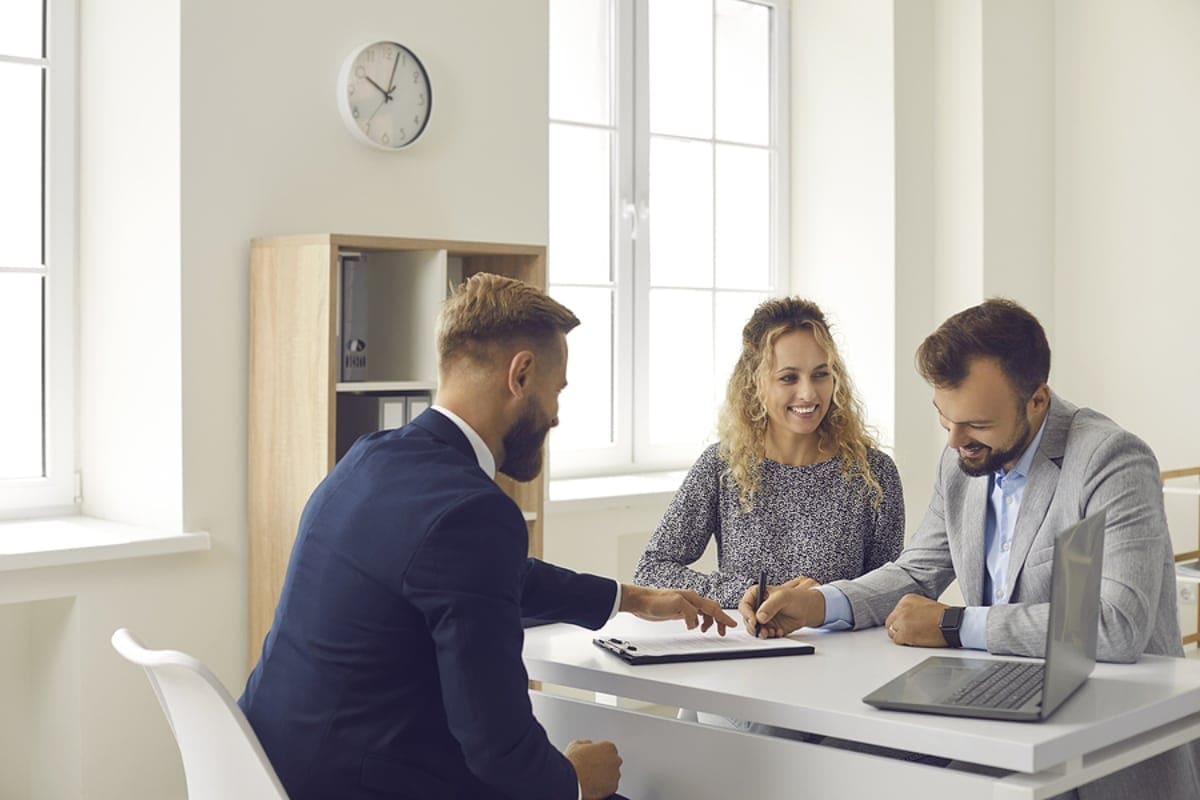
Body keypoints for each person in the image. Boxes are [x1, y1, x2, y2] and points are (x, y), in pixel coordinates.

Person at [239, 273, 736, 800]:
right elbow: (496, 749)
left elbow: (481, 577)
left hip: (266, 768)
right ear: (520, 374)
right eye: (557, 390)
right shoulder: (476, 511)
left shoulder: (369, 457)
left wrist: (629, 598)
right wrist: (573, 781)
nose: (557, 415)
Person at [740, 298, 1199, 798]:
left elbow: (1116, 624)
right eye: (945, 419)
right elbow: (917, 572)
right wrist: (821, 603)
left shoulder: (1110, 460)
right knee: (825, 757)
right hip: (999, 707)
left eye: (976, 424)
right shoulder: (963, 456)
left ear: (1037, 401)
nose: (956, 440)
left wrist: (953, 624)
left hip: (1103, 736)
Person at [634, 297, 904, 609]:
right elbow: (651, 572)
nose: (808, 393)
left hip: (843, 653)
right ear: (755, 383)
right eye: (788, 377)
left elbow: (890, 593)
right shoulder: (722, 466)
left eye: (820, 374)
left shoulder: (874, 474)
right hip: (747, 649)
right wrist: (751, 594)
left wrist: (824, 602)